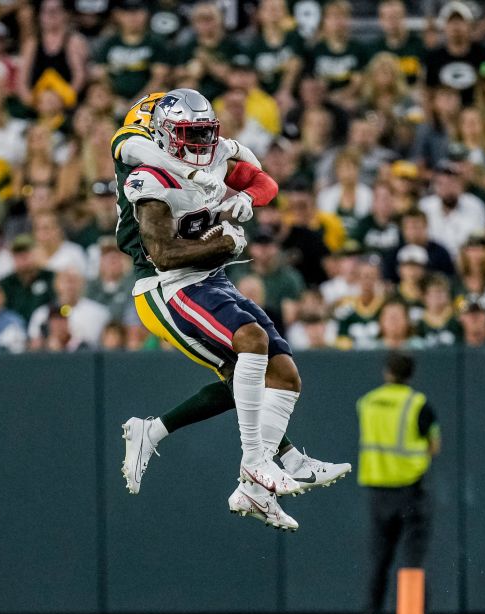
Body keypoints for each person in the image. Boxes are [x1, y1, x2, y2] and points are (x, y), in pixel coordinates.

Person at [112, 92, 348, 504]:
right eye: (191, 134)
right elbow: (164, 256)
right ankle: (256, 467)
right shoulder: (147, 171)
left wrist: (244, 197)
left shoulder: (213, 153)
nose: (203, 142)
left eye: (205, 131)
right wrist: (225, 244)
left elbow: (265, 181)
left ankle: (270, 472)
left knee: (281, 373)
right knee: (250, 345)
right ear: (164, 132)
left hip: (210, 277)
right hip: (167, 284)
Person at [356, 353, 441, 614]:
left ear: (386, 372)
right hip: (410, 489)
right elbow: (434, 445)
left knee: (379, 560)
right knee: (412, 560)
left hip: (378, 488)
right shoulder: (418, 404)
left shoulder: (367, 402)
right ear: (411, 374)